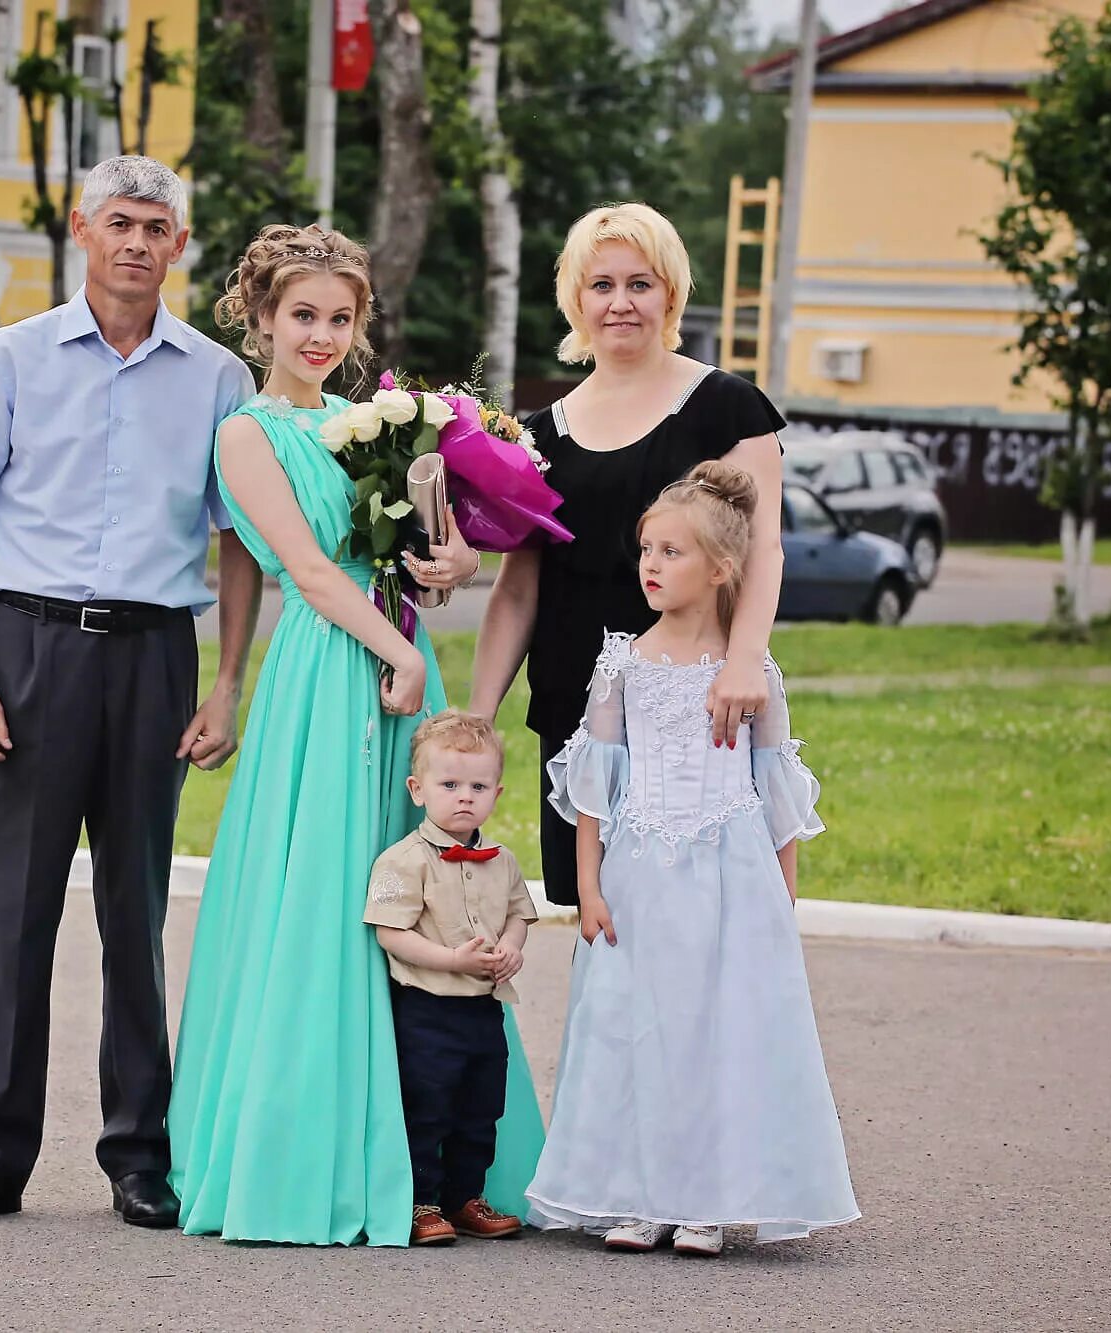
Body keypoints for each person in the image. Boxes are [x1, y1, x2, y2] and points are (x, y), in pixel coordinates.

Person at [164, 224, 546, 1246]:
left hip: (392, 653)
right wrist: (405, 652)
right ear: (261, 318)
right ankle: (317, 1156)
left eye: (340, 317)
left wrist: (447, 565)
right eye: (303, 315)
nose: (323, 334)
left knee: (420, 882)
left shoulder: (372, 423)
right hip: (330, 669)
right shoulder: (246, 434)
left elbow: (427, 543)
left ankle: (437, 1166)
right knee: (328, 898)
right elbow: (312, 568)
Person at [0, 156, 264, 1229]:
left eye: (158, 225)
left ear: (179, 245)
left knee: (133, 916)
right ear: (80, 230)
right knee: (15, 914)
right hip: (29, 652)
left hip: (155, 658)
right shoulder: (6, 361)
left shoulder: (214, 379)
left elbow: (236, 543)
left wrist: (228, 682)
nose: (138, 242)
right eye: (120, 222)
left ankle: (137, 1157)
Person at [524, 461, 858, 1254]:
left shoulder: (750, 675)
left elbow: (777, 791)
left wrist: (782, 897)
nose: (651, 564)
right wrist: (589, 887)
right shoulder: (621, 664)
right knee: (635, 1027)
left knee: (719, 1029)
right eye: (647, 548)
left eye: (672, 552)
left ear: (720, 568)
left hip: (729, 873)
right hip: (639, 873)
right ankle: (639, 1194)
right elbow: (595, 787)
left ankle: (707, 1197)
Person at [469, 203, 787, 910]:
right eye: (602, 285)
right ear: (576, 299)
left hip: (695, 701)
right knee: (598, 914)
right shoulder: (538, 434)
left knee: (693, 908)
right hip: (576, 708)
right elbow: (519, 588)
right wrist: (480, 717)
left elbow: (764, 549)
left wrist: (744, 660)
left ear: (670, 294)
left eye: (640, 284)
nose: (621, 303)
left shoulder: (728, 408)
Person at [364, 711, 539, 1247]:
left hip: (483, 1010)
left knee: (481, 1108)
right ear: (418, 790)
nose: (465, 796)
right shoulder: (402, 861)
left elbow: (517, 913)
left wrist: (511, 945)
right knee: (428, 1107)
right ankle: (420, 1203)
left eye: (478, 786)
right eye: (450, 784)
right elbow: (391, 934)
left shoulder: (503, 860)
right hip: (427, 1008)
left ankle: (467, 1198)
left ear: (496, 792)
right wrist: (450, 960)